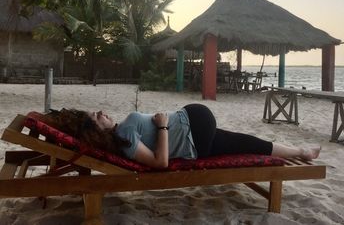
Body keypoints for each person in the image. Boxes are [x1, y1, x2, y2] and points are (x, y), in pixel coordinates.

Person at [47, 104, 320, 168]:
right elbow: (161, 162)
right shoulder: (125, 135)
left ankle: (300, 152)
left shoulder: (123, 135)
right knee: (246, 142)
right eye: (97, 116)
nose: (102, 113)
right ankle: (300, 151)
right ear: (96, 131)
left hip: (196, 134)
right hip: (195, 134)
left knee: (248, 143)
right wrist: (164, 125)